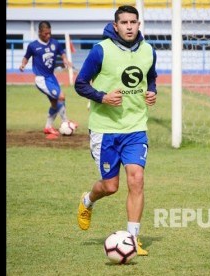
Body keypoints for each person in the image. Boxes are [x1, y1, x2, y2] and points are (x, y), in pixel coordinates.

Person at [74, 5, 157, 256]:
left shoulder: (148, 50)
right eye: (124, 22)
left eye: (134, 22)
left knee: (137, 179)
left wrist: (152, 91)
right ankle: (87, 200)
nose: (129, 26)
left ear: (139, 24)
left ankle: (132, 240)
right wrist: (102, 97)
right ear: (115, 25)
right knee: (111, 187)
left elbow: (150, 76)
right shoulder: (101, 50)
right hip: (105, 129)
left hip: (135, 127)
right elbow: (80, 83)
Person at [19, 21, 74, 139]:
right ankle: (66, 122)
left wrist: (65, 60)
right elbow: (26, 57)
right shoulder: (33, 46)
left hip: (51, 77)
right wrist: (23, 65)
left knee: (55, 103)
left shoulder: (55, 43)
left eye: (49, 33)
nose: (48, 36)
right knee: (61, 97)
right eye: (45, 34)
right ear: (39, 32)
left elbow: (62, 53)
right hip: (41, 79)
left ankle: (48, 127)